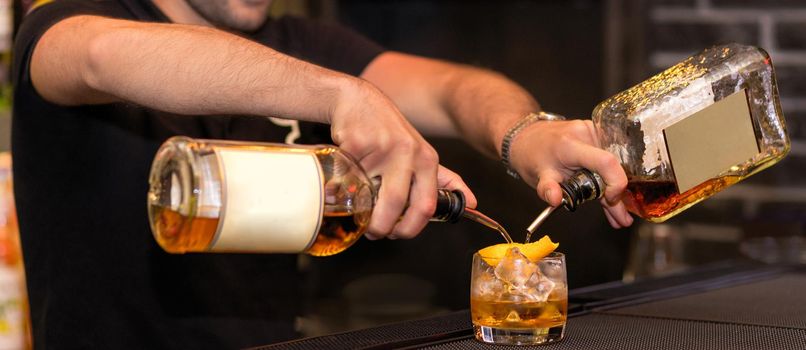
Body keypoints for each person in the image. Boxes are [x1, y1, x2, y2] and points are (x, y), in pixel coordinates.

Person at [12, 0, 633, 348]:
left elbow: (455, 89)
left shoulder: (298, 39)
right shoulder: (70, 20)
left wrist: (524, 131)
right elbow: (97, 57)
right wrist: (341, 95)